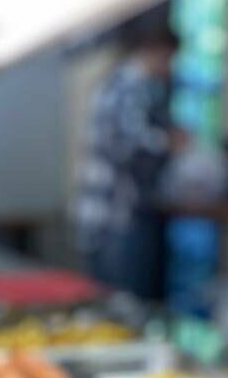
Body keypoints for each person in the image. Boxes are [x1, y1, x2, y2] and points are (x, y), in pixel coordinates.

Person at [75, 15, 181, 301]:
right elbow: (125, 147)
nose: (169, 68)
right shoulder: (129, 86)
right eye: (169, 59)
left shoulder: (117, 83)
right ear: (155, 51)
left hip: (105, 216)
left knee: (111, 304)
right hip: (116, 217)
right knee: (123, 306)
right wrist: (167, 142)